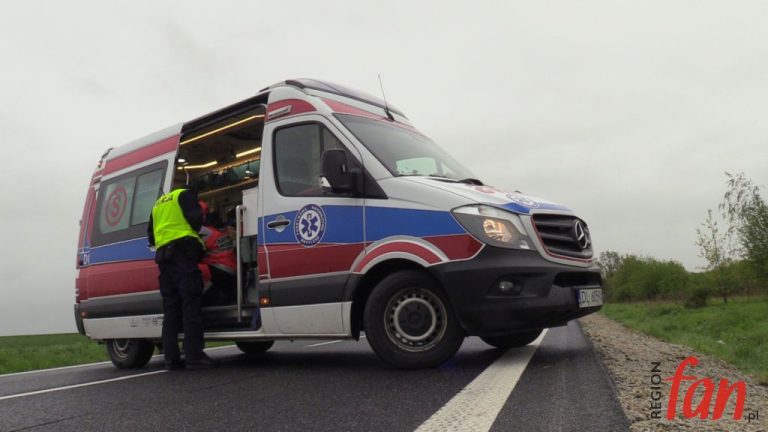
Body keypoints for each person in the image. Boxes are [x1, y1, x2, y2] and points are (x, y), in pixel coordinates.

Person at [147, 187, 218, 370]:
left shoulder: (157, 205)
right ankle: (194, 355)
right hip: (182, 252)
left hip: (164, 257)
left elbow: (150, 236)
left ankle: (171, 359)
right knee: (191, 303)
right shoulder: (184, 195)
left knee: (171, 308)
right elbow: (195, 218)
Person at [198, 201, 237, 305]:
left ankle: (215, 298)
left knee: (190, 269)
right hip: (230, 270)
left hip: (222, 271)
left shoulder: (202, 231)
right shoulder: (214, 228)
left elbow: (194, 254)